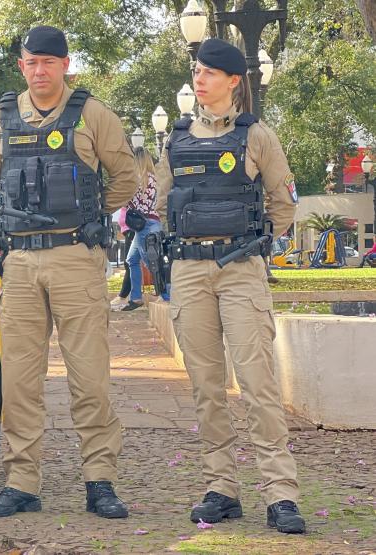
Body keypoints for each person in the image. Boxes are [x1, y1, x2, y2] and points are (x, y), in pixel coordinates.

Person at [0, 25, 139, 519]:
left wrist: (87, 215)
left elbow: (125, 177)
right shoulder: (1, 118)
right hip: (20, 262)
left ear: (66, 65)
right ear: (21, 66)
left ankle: (100, 481)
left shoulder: (92, 114)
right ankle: (22, 482)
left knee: (89, 377)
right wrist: (21, 219)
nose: (40, 70)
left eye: (49, 62)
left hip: (75, 257)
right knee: (20, 380)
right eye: (32, 62)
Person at [155, 38, 305, 534]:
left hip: (241, 268)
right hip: (190, 270)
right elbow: (161, 202)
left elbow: (284, 205)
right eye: (196, 71)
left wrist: (252, 241)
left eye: (209, 72)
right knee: (206, 387)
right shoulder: (176, 138)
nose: (199, 79)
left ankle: (280, 494)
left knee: (258, 384)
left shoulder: (256, 135)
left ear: (233, 81)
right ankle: (221, 488)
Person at [121, 147, 169, 310]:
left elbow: (126, 200)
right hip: (154, 222)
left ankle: (166, 295)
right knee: (133, 259)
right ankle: (136, 297)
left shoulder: (137, 180)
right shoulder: (155, 179)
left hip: (144, 225)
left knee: (151, 262)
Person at [110, 208, 135, 311]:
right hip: (130, 229)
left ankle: (123, 296)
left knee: (130, 264)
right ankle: (127, 296)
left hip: (134, 228)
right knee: (130, 264)